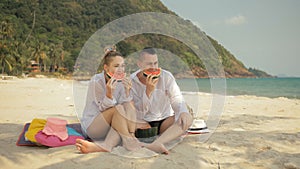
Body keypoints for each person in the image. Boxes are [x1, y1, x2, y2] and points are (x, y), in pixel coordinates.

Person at [76, 46, 140, 153]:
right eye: (116, 66)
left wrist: (127, 92)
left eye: (123, 66)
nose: (121, 70)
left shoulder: (121, 82)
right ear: (106, 68)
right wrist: (109, 94)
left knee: (128, 105)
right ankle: (127, 139)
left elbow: (126, 108)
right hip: (93, 126)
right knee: (118, 108)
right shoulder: (96, 81)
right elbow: (104, 109)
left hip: (114, 123)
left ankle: (109, 145)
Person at [130, 47, 193, 154]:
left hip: (165, 122)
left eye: (155, 63)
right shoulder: (132, 81)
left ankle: (158, 143)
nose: (154, 67)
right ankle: (157, 140)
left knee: (188, 116)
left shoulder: (166, 76)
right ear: (139, 64)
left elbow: (176, 97)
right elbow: (138, 112)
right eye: (149, 64)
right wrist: (148, 93)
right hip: (144, 123)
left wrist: (183, 112)